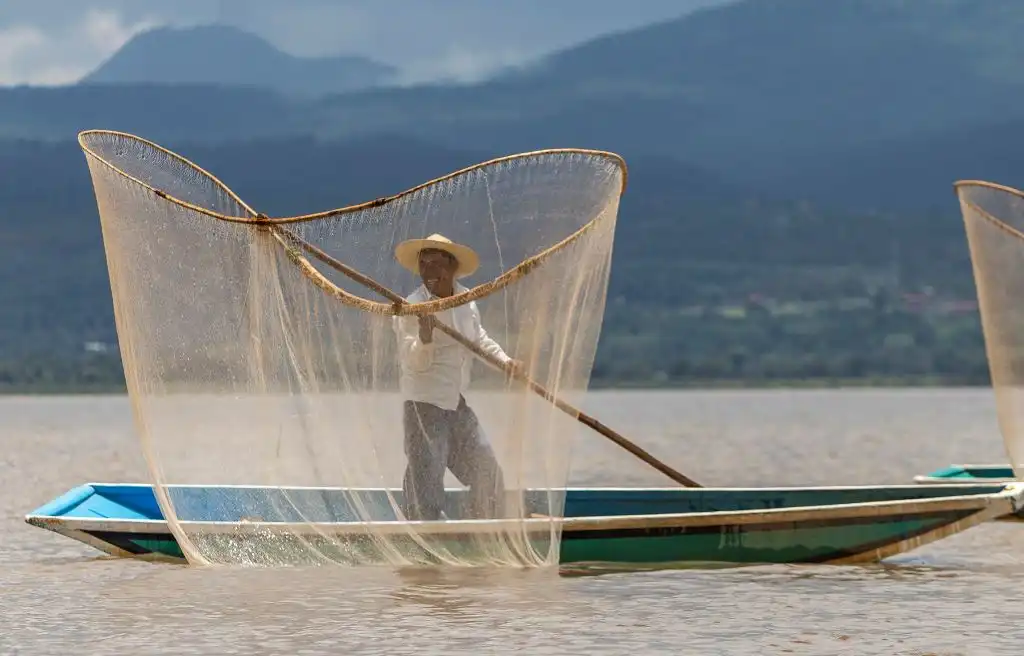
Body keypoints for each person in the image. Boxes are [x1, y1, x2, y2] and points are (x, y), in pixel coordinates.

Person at [392, 233, 523, 521]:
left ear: (451, 268)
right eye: (423, 264)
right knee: (425, 479)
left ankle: (485, 527)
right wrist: (425, 339)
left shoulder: (466, 300)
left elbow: (478, 340)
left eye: (436, 264)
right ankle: (422, 534)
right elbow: (413, 363)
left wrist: (505, 361)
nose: (429, 271)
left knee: (485, 469)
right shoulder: (411, 307)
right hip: (423, 406)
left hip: (454, 402)